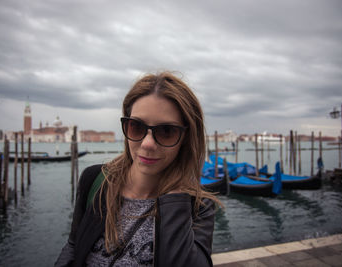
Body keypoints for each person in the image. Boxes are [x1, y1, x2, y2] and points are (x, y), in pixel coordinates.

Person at [55, 72, 221, 267]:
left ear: (186, 138)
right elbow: (73, 246)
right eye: (136, 126)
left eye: (167, 131)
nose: (147, 144)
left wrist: (176, 196)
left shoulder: (198, 208)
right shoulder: (95, 180)